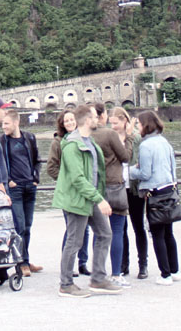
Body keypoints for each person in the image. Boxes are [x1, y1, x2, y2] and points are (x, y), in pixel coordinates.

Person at [53, 105, 121, 298]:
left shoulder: (89, 142)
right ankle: (66, 284)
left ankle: (98, 279)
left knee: (105, 234)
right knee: (74, 241)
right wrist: (100, 199)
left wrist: (98, 197)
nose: (97, 119)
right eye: (94, 117)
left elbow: (94, 174)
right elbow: (77, 179)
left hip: (90, 198)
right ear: (86, 120)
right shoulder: (72, 145)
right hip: (77, 200)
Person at [129, 110, 179, 286]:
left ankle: (165, 274)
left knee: (157, 234)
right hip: (169, 189)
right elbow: (173, 168)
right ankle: (175, 270)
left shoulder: (145, 146)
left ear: (145, 125)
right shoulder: (164, 142)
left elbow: (145, 173)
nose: (137, 127)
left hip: (154, 193)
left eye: (139, 124)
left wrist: (131, 170)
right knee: (169, 233)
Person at [91, 103, 130, 289]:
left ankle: (97, 272)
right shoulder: (109, 134)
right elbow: (125, 156)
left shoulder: (86, 135)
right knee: (117, 230)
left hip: (96, 187)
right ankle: (116, 273)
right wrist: (128, 138)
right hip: (114, 184)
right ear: (102, 116)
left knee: (98, 231)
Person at [47, 110, 90, 277]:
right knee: (72, 229)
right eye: (67, 121)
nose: (70, 123)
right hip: (70, 192)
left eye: (72, 119)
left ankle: (83, 262)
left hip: (84, 190)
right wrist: (66, 180)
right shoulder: (58, 142)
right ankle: (68, 266)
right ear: (62, 124)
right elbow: (51, 168)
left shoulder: (85, 138)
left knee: (85, 229)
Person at [0, 109, 42, 277]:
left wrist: (36, 178)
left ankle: (25, 258)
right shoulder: (2, 141)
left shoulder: (29, 138)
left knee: (28, 226)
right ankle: (21, 263)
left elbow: (37, 160)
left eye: (6, 123)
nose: (3, 126)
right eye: (2, 123)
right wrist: (9, 180)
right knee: (20, 226)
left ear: (16, 122)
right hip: (15, 188)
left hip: (30, 186)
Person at [112, 107, 148, 280]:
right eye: (111, 123)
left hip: (133, 187)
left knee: (138, 226)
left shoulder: (136, 138)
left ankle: (143, 264)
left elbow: (141, 160)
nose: (113, 126)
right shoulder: (111, 138)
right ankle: (123, 264)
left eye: (115, 123)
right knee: (121, 228)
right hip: (118, 188)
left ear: (124, 121)